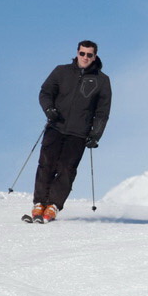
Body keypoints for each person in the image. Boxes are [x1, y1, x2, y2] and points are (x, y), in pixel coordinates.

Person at [31, 40, 112, 222]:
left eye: (89, 55)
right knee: (46, 165)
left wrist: (95, 134)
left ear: (95, 56)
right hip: (55, 126)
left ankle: (53, 206)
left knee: (67, 170)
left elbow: (102, 112)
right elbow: (45, 92)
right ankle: (39, 204)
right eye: (82, 53)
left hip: (79, 132)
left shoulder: (102, 80)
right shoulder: (61, 71)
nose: (85, 57)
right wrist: (49, 109)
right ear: (77, 53)